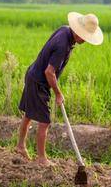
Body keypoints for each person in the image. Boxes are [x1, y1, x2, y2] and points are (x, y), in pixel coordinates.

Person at [15, 12, 103, 165]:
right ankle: (41, 159)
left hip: (32, 74)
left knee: (29, 114)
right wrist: (58, 93)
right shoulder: (63, 45)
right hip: (39, 82)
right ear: (79, 32)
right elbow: (49, 72)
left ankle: (20, 146)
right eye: (85, 37)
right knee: (45, 122)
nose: (85, 41)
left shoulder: (64, 30)